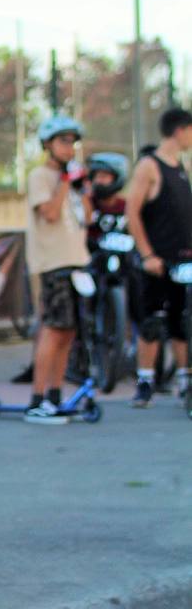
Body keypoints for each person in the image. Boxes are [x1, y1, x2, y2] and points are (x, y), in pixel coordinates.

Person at [23, 115, 92, 423]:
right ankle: (37, 400)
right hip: (53, 263)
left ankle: (55, 394)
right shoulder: (40, 176)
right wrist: (64, 181)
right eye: (63, 141)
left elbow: (87, 217)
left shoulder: (72, 181)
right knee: (52, 329)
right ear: (48, 144)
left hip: (77, 261)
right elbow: (49, 214)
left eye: (72, 142)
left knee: (68, 331)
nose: (69, 148)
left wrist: (82, 188)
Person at [124, 107, 192, 408]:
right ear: (180, 130)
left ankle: (185, 379)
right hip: (157, 261)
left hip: (183, 260)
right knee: (152, 321)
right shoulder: (149, 166)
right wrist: (147, 254)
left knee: (182, 321)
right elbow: (132, 212)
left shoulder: (181, 166)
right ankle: (145, 381)